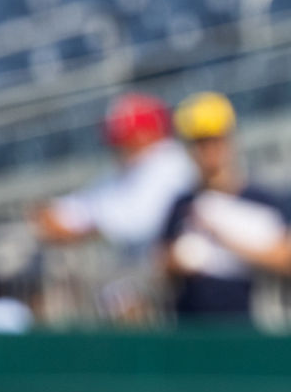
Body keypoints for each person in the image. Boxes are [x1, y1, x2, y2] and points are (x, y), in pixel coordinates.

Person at [30, 91, 198, 319]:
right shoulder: (127, 167)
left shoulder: (170, 161)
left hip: (173, 281)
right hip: (135, 277)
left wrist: (86, 228)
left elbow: (142, 221)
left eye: (128, 134)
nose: (121, 144)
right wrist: (50, 214)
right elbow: (85, 204)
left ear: (148, 133)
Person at [161, 91, 291, 322]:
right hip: (192, 330)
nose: (207, 151)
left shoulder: (261, 199)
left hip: (249, 327)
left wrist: (222, 235)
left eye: (213, 140)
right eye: (199, 142)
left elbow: (290, 258)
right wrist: (177, 261)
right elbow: (161, 262)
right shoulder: (182, 204)